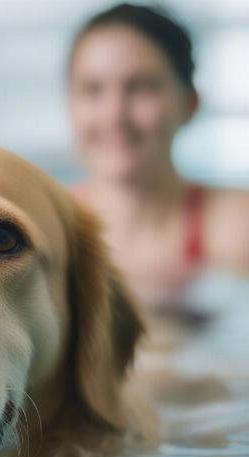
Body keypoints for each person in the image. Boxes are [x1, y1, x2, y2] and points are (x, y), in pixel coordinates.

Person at [67, 3, 249, 311]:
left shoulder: (239, 228)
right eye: (92, 89)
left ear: (190, 104)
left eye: (141, 88)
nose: (114, 116)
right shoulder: (45, 231)